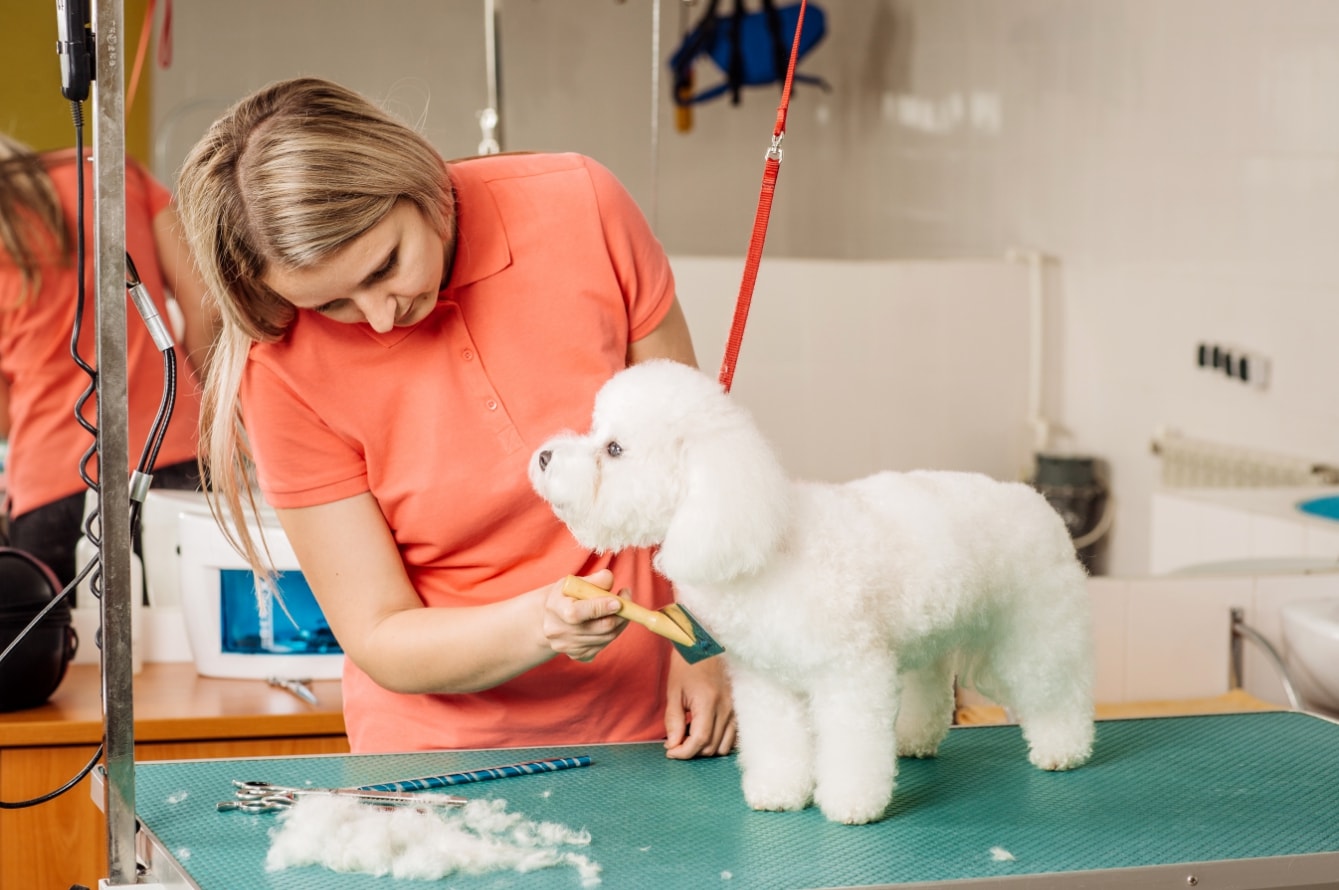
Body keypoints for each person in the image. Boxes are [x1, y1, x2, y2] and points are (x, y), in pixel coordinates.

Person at [174, 77, 735, 757]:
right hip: (440, 754)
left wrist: (705, 643)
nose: (381, 318)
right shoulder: (280, 369)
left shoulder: (580, 206)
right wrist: (540, 624)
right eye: (334, 307)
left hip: (667, 718)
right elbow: (380, 633)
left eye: (386, 265)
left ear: (411, 179)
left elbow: (696, 467)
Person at [0, 133, 216, 592]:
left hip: (51, 491)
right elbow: (207, 305)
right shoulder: (112, 173)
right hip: (174, 454)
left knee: (67, 659)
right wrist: (209, 408)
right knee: (187, 651)